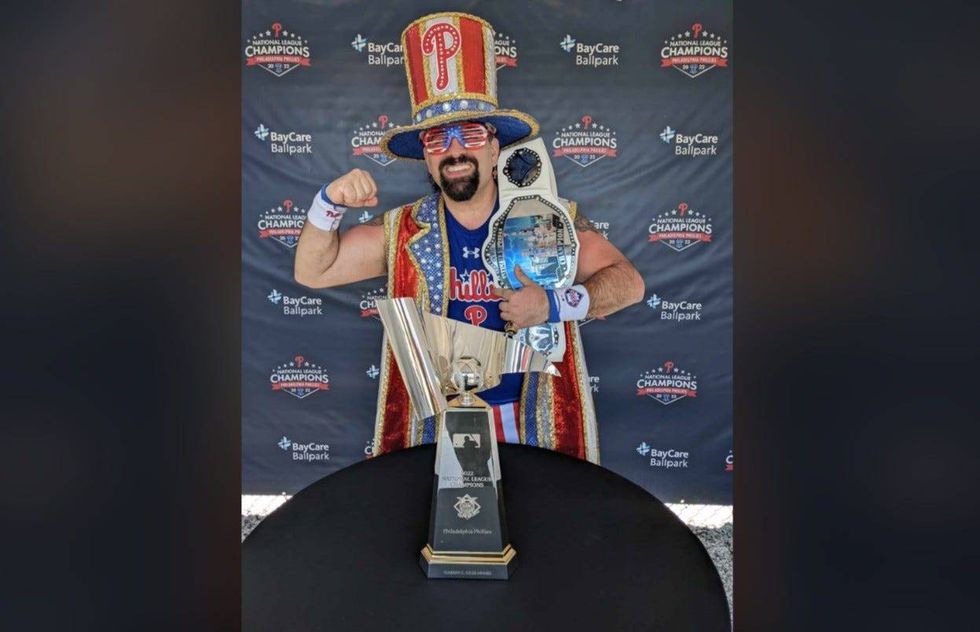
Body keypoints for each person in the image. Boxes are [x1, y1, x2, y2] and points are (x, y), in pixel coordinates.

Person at [294, 12, 644, 464]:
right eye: (438, 140)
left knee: (542, 510)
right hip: (434, 425)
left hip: (532, 419)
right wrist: (327, 203)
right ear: (425, 158)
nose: (455, 150)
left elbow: (629, 284)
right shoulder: (402, 229)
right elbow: (314, 271)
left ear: (495, 148)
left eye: (471, 134)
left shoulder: (547, 217)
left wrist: (554, 306)